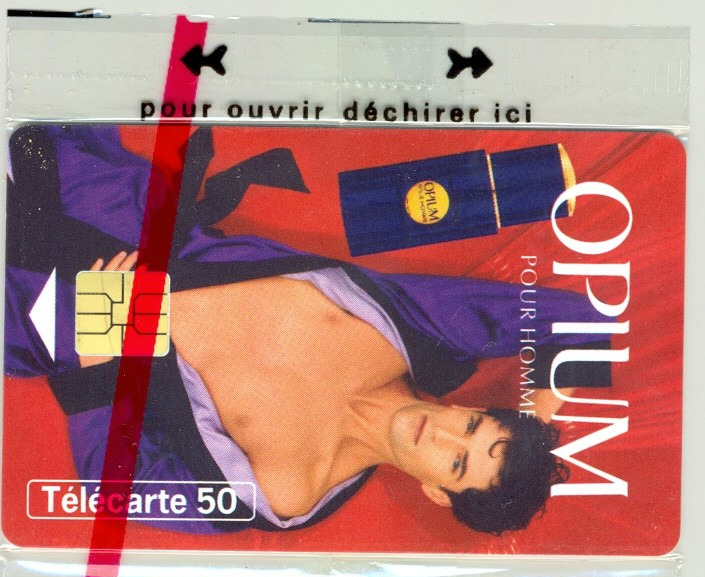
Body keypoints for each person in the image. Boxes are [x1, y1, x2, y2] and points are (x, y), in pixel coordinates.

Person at [4, 125, 612, 536]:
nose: (446, 435)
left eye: (456, 464)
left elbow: (118, 490)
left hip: (41, 310)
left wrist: (99, 349)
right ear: (471, 407)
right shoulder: (416, 330)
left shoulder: (288, 494)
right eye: (474, 427)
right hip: (100, 197)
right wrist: (539, 419)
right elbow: (584, 321)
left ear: (436, 492)